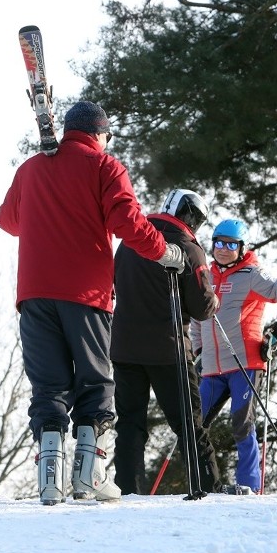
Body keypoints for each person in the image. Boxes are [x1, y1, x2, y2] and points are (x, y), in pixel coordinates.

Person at [0, 100, 184, 505]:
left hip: (34, 294)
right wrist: (164, 252)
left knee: (48, 386)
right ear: (99, 134)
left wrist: (44, 187)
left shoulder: (30, 167)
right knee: (95, 381)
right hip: (86, 294)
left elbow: (7, 221)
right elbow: (127, 223)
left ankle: (49, 478)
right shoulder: (105, 167)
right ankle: (89, 476)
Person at [111, 188, 222, 495]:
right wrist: (214, 301)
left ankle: (127, 491)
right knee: (189, 423)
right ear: (189, 216)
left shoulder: (130, 242)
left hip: (124, 346)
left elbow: (115, 283)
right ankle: (206, 487)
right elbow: (201, 308)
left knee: (130, 424)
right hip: (168, 349)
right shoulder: (188, 247)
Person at [191, 219, 277, 494]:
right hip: (212, 369)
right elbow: (197, 317)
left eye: (231, 245)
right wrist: (198, 350)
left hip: (245, 364)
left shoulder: (252, 275)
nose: (223, 249)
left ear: (242, 248)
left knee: (242, 426)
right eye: (219, 243)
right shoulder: (206, 276)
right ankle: (204, 484)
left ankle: (250, 487)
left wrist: (276, 332)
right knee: (193, 425)